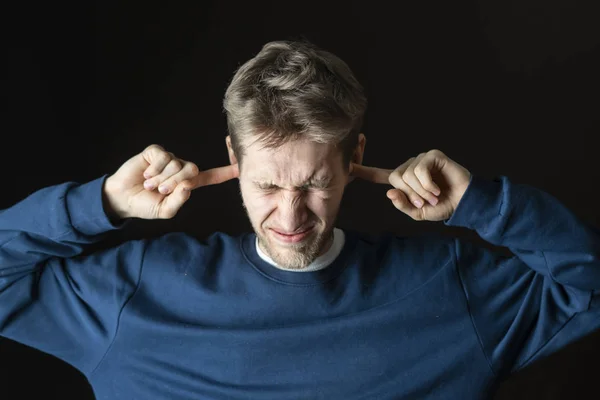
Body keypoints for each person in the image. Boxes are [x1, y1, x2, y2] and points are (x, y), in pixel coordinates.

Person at [1, 40, 599, 400]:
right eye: (266, 184)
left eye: (314, 184)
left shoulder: (447, 288)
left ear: (355, 159)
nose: (290, 216)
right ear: (233, 161)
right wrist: (98, 203)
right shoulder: (134, 293)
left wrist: (481, 204)